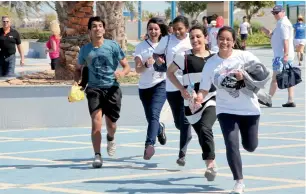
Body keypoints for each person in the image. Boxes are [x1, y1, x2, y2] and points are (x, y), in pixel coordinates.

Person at [196, 26, 271, 194]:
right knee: (231, 144)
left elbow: (262, 74)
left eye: (228, 39)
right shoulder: (211, 64)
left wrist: (244, 76)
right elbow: (204, 88)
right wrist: (199, 97)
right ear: (217, 40)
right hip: (225, 110)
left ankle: (248, 148)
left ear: (234, 41)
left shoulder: (244, 56)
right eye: (221, 38)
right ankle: (239, 181)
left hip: (249, 110)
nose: (224, 42)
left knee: (250, 146)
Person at [74, 16, 130, 168]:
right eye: (94, 26)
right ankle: (97, 155)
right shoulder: (85, 50)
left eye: (100, 26)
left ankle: (110, 138)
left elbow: (126, 66)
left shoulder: (113, 46)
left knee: (111, 125)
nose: (97, 28)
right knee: (96, 122)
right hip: (94, 89)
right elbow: (78, 68)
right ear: (90, 31)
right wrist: (77, 82)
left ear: (104, 29)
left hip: (112, 88)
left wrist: (122, 74)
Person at [167, 24, 217, 181]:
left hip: (211, 98)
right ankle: (209, 161)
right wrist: (181, 89)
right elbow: (169, 73)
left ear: (206, 38)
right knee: (202, 134)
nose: (195, 40)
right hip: (192, 103)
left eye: (198, 36)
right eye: (192, 37)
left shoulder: (214, 57)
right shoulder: (184, 56)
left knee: (205, 127)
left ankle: (211, 165)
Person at [153, 15, 192, 166]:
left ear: (186, 29)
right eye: (174, 29)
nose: (176, 32)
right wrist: (158, 59)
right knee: (178, 123)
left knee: (185, 120)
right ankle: (182, 133)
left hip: (189, 86)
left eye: (180, 29)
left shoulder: (191, 40)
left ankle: (182, 154)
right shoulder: (167, 40)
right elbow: (156, 53)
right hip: (172, 85)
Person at [134, 17, 168, 160]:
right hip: (145, 87)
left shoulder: (166, 45)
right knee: (151, 118)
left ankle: (149, 145)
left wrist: (163, 62)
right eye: (150, 29)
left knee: (154, 114)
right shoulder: (141, 47)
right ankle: (160, 129)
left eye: (156, 29)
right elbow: (137, 69)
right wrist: (147, 64)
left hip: (161, 83)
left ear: (160, 31)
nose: (153, 31)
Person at [261, 5, 295, 107]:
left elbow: (286, 40)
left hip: (281, 56)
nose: (275, 15)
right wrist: (266, 31)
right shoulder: (281, 23)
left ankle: (268, 98)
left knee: (275, 78)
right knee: (288, 77)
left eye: (277, 12)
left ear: (283, 12)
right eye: (274, 13)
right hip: (283, 55)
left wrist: (285, 55)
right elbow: (275, 36)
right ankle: (290, 99)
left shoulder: (283, 24)